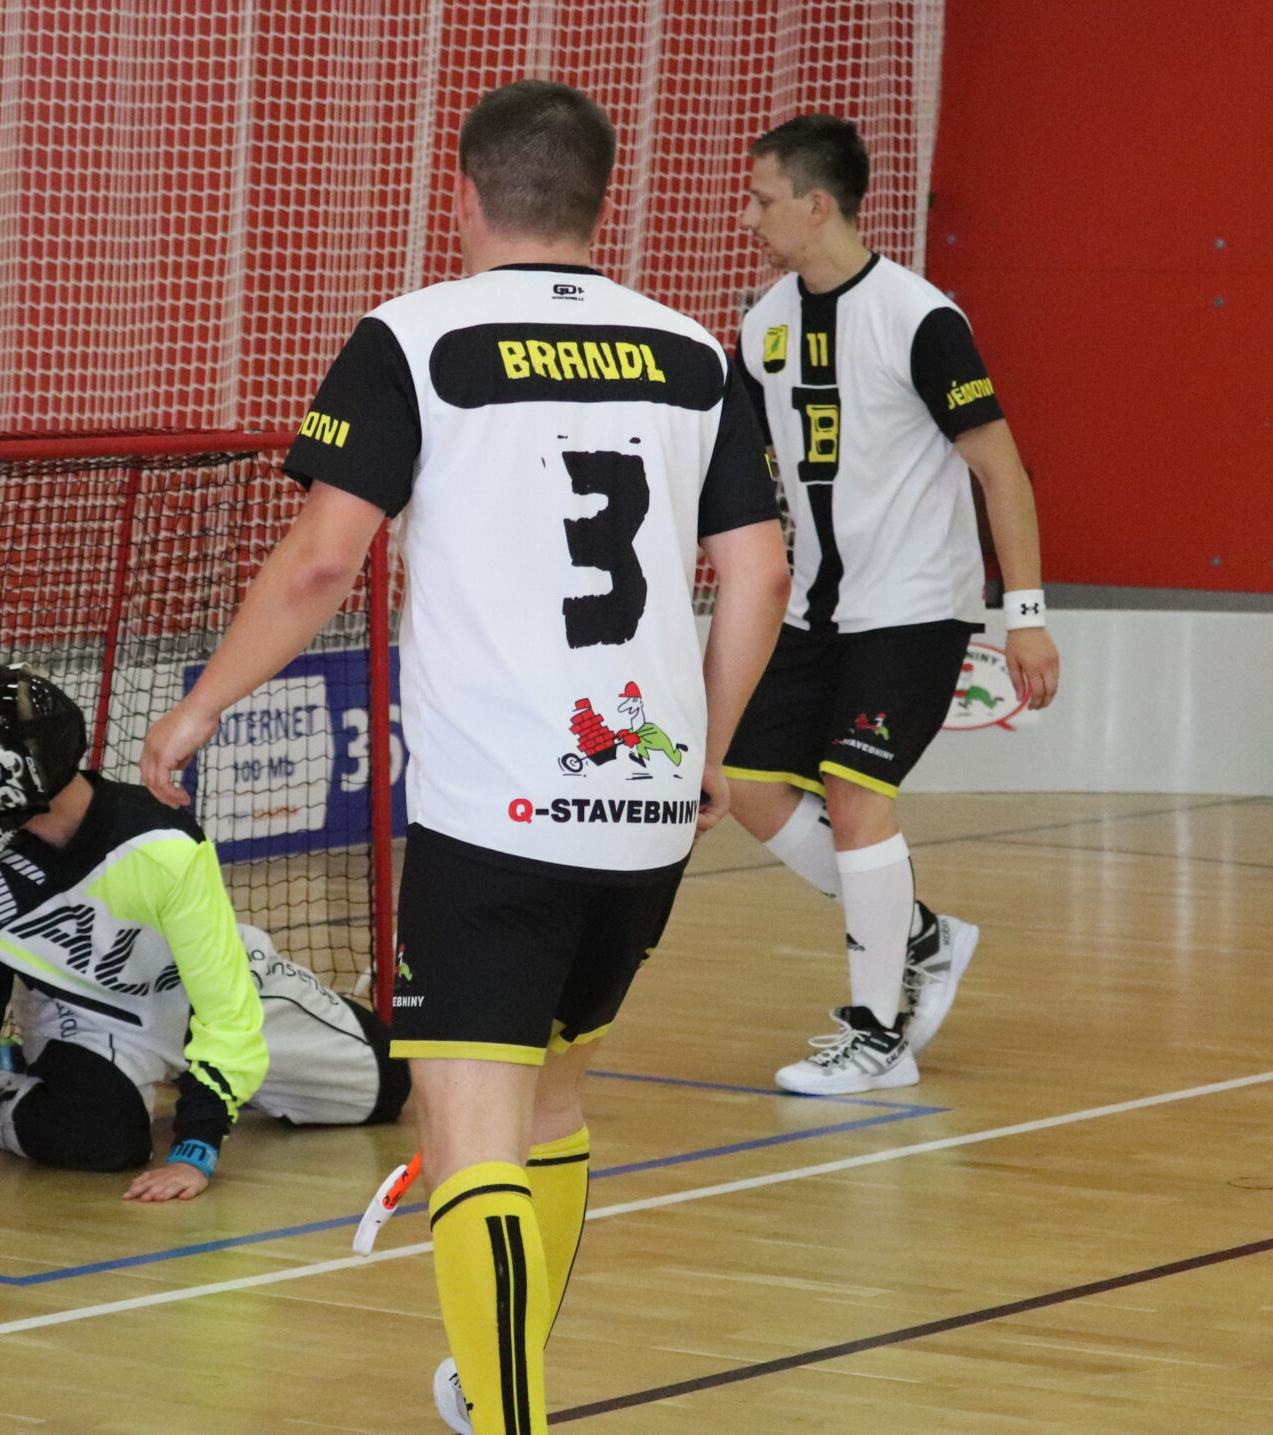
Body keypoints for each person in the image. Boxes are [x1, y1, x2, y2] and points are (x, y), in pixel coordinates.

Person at [140, 80, 788, 1435]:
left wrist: (198, 707)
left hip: (495, 809)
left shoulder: (412, 336)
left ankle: (507, 1412)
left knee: (467, 1122)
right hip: (644, 803)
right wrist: (713, 754)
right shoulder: (693, 350)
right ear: (603, 199)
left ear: (462, 193)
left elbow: (320, 561)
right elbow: (758, 571)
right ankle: (496, 1378)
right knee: (550, 1106)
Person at [723, 112, 1061, 1096]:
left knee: (855, 795)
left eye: (763, 200)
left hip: (914, 606)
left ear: (817, 204)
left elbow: (1001, 471)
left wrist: (1026, 615)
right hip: (813, 611)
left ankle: (878, 1036)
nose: (749, 218)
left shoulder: (920, 319)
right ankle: (919, 935)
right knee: (744, 781)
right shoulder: (760, 325)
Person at [0, 665, 408, 1205]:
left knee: (387, 1086)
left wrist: (196, 1149)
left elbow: (223, 1005)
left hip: (209, 993)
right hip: (93, 1020)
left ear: (20, 769)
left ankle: (216, 1080)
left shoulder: (158, 841)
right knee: (105, 1142)